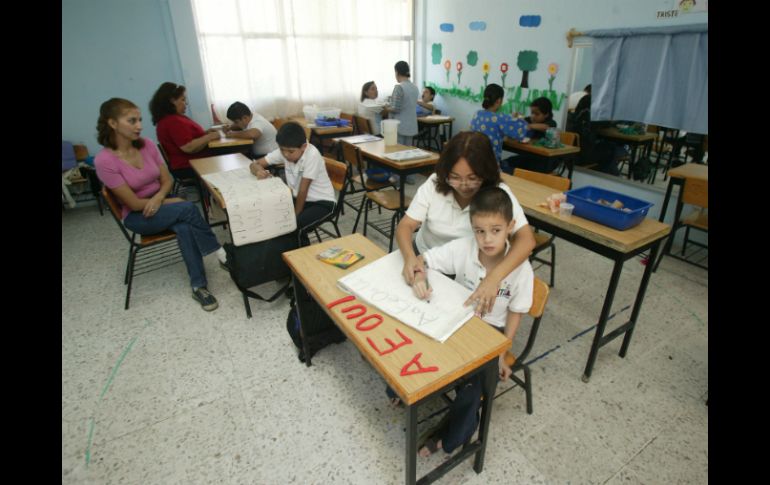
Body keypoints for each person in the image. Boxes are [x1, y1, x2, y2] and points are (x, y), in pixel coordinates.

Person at [411, 186, 534, 457]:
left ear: (511, 227)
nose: (487, 239)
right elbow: (424, 260)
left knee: (471, 390)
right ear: (472, 228)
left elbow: (517, 311)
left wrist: (503, 350)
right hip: (460, 323)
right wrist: (419, 274)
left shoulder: (520, 268)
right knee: (420, 344)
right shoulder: (464, 248)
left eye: (496, 230)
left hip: (492, 334)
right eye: (480, 231)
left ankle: (452, 436)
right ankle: (406, 394)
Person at [94, 98, 228, 311]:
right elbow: (134, 204)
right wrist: (167, 201)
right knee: (187, 208)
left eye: (139, 119)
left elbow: (168, 180)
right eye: (131, 120)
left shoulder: (146, 145)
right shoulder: (104, 161)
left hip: (163, 206)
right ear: (112, 123)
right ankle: (220, 253)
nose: (139, 125)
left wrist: (161, 199)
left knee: (184, 225)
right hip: (139, 217)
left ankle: (199, 287)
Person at [395, 131, 536, 317]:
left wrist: (494, 277)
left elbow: (527, 240)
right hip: (426, 257)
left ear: (485, 173)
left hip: (464, 271)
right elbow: (405, 226)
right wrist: (410, 258)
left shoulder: (498, 194)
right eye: (454, 177)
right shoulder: (434, 184)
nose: (463, 185)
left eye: (472, 178)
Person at [249, 121, 336, 246]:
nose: (285, 154)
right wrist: (258, 171)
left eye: (290, 151)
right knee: (273, 218)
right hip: (298, 198)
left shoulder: (312, 155)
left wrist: (294, 216)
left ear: (304, 147)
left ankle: (300, 259)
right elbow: (254, 164)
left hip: (323, 202)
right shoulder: (286, 150)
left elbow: (303, 190)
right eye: (282, 150)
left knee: (295, 227)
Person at [149, 82, 220, 179]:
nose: (186, 103)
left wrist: (206, 133)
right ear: (172, 101)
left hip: (190, 162)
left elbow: (192, 138)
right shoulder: (172, 121)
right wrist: (209, 136)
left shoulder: (173, 119)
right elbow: (188, 147)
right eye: (183, 99)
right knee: (236, 155)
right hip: (188, 165)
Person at [469, 83, 528, 174]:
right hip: (490, 166)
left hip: (473, 162)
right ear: (499, 100)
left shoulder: (477, 114)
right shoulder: (500, 118)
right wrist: (519, 119)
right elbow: (521, 130)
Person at [389, 60, 420, 146]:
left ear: (397, 72)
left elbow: (395, 108)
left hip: (400, 126)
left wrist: (385, 108)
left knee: (398, 152)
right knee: (408, 152)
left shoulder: (399, 87)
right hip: (411, 125)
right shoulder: (415, 87)